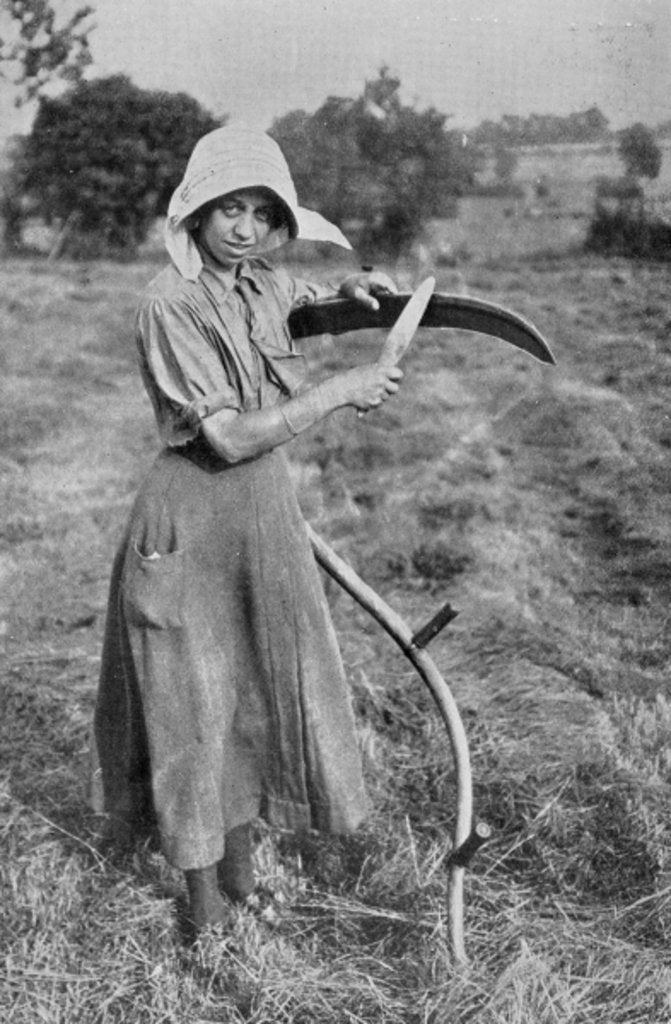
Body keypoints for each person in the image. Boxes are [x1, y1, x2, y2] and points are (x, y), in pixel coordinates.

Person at [91, 124, 402, 931]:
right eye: (227, 209)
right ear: (194, 213)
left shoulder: (263, 283)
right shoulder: (171, 302)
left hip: (261, 515)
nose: (244, 228)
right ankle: (202, 907)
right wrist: (340, 391)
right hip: (192, 516)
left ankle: (237, 872)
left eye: (262, 215)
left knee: (256, 695)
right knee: (191, 705)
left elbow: (310, 308)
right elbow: (226, 436)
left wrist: (361, 290)